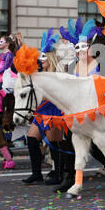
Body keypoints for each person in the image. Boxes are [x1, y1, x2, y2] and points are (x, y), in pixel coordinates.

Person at [22, 31, 64, 186]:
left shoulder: (58, 73)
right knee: (31, 139)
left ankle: (58, 174)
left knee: (54, 143)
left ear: (51, 58)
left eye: (44, 56)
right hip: (41, 111)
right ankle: (36, 173)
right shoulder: (40, 73)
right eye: (41, 56)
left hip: (54, 110)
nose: (41, 59)